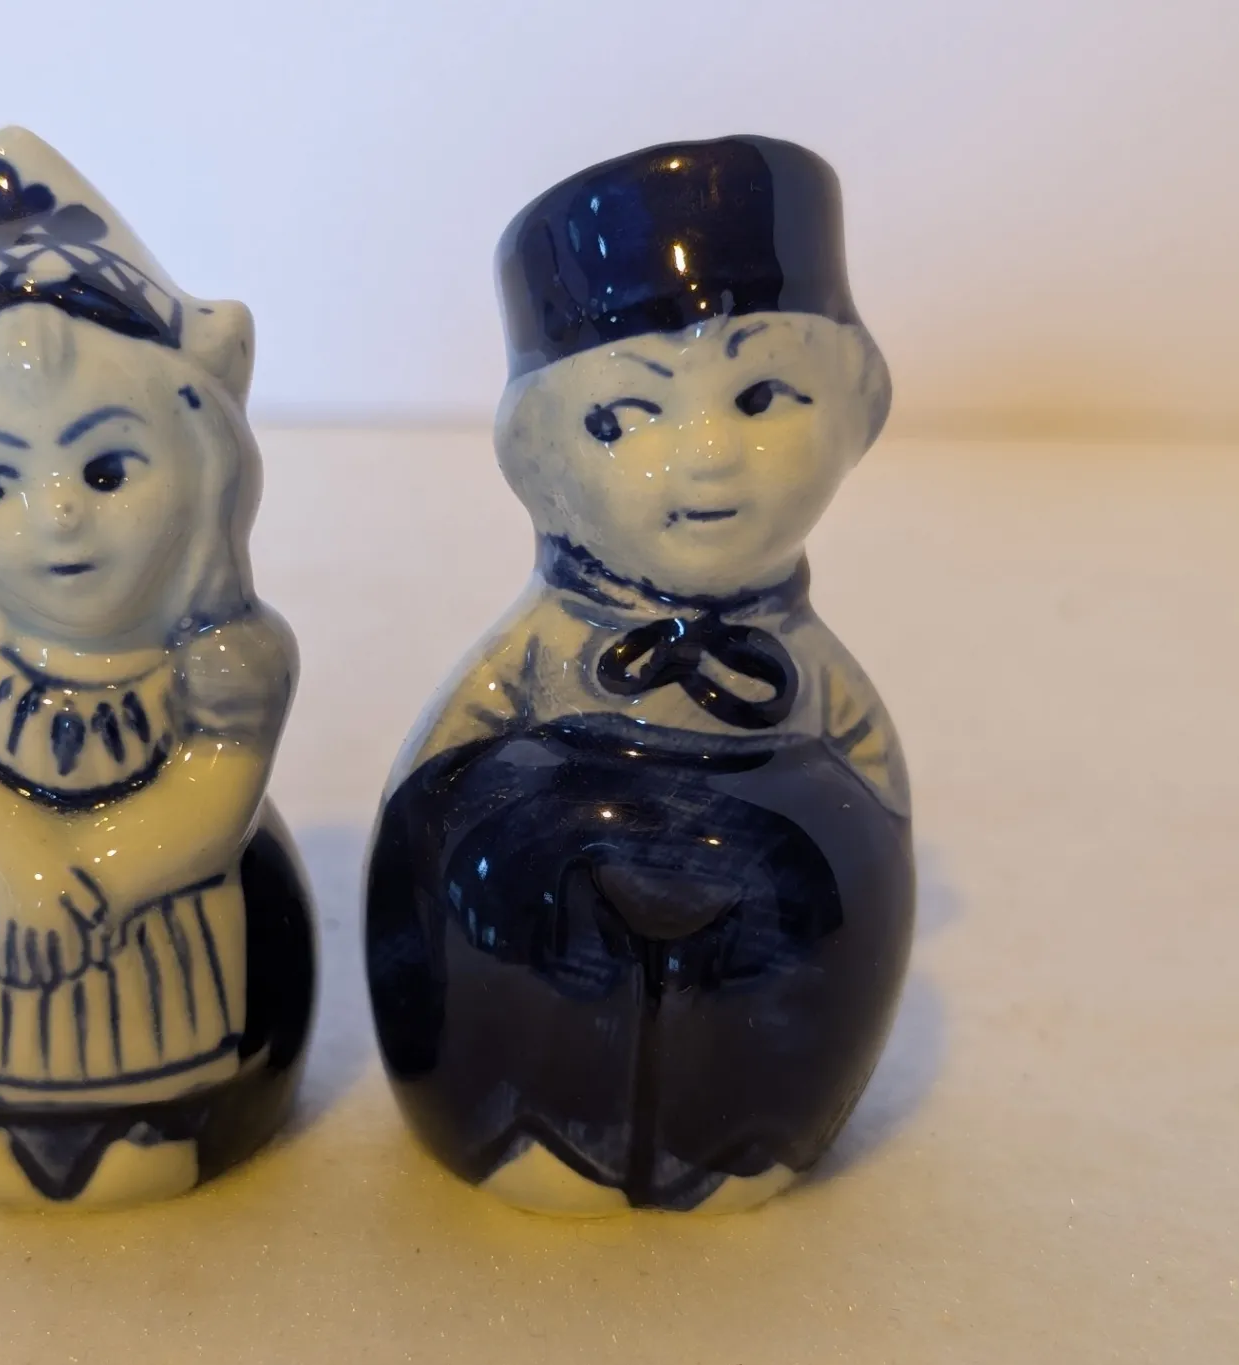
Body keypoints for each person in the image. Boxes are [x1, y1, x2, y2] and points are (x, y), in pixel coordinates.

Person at [367, 136, 914, 1215]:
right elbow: (423, 812)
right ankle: (527, 1126)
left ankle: (745, 1139)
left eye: (762, 396)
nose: (707, 456)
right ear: (542, 459)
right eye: (626, 417)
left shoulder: (821, 681)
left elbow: (881, 818)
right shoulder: (528, 661)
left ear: (855, 413)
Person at [0, 128, 313, 1207]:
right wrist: (14, 869)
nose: (55, 515)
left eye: (107, 468)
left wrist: (96, 886)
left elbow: (215, 798)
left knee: (156, 1117)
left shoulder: (224, 663)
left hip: (164, 939)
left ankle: (168, 1125)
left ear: (201, 461)